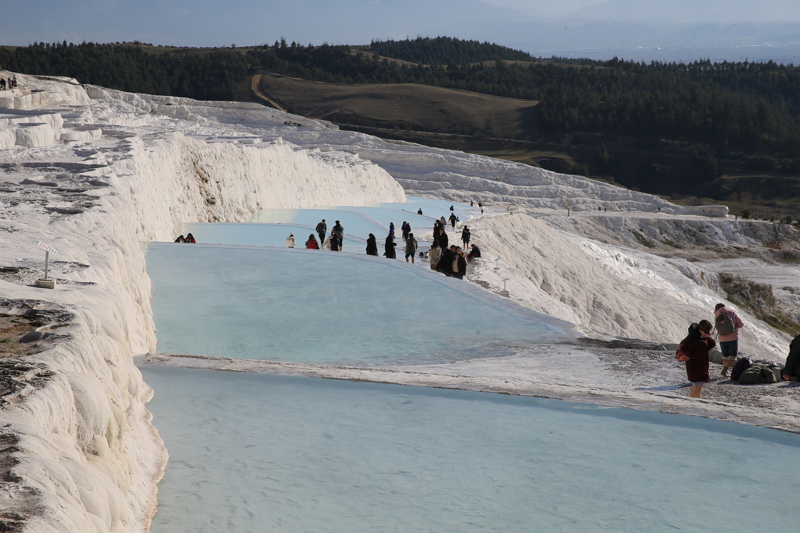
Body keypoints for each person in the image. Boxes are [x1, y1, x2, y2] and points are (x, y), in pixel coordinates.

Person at [679, 320, 716, 398]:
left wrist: (703, 350)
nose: (707, 334)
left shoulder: (703, 337)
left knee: (696, 386)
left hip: (701, 365)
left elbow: (713, 343)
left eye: (708, 332)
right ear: (700, 330)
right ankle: (696, 402)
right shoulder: (692, 338)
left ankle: (692, 401)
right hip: (694, 366)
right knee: (698, 386)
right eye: (705, 332)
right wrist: (692, 355)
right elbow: (684, 348)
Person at [714, 303, 744, 378]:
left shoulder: (717, 315)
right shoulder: (732, 313)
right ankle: (725, 370)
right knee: (733, 356)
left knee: (725, 356)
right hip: (732, 337)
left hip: (722, 338)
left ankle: (725, 372)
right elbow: (740, 325)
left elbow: (717, 327)